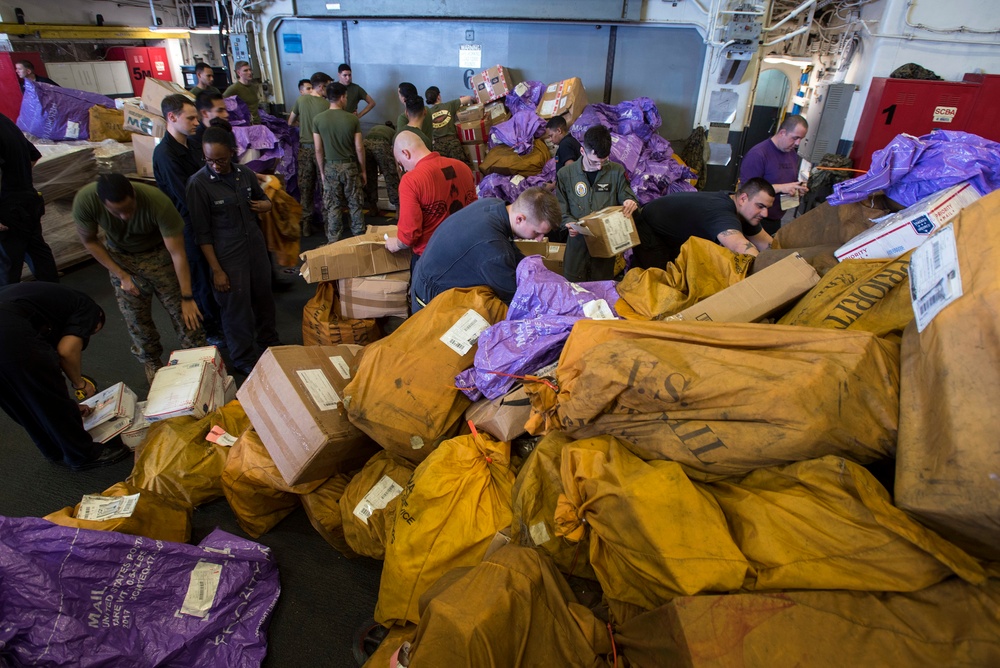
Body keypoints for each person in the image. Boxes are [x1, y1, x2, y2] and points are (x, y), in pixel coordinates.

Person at [73, 174, 205, 382]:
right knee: (135, 317)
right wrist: (122, 275)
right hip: (120, 258)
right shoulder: (86, 201)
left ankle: (198, 359)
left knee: (184, 313)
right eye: (117, 212)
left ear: (134, 194)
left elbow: (177, 253)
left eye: (129, 209)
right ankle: (152, 362)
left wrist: (187, 297)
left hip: (157, 253)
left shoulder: (156, 201)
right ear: (102, 203)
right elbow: (89, 241)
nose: (125, 216)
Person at [0, 282, 131, 470]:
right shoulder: (89, 310)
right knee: (46, 391)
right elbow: (66, 351)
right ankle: (82, 454)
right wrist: (79, 384)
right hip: (9, 331)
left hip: (9, 323)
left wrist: (69, 407)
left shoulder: (53, 299)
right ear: (97, 322)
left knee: (16, 399)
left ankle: (53, 449)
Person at [186, 127, 280, 376]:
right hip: (227, 254)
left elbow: (264, 199)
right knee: (235, 308)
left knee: (264, 299)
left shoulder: (244, 174)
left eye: (221, 160)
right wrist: (216, 270)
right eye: (209, 160)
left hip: (255, 247)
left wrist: (266, 205)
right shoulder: (198, 184)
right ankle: (243, 358)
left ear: (231, 152)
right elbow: (202, 234)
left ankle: (269, 343)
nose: (215, 166)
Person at [410, 187, 560, 312]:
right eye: (537, 232)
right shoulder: (494, 250)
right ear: (519, 219)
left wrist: (542, 275)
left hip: (429, 269)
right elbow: (516, 303)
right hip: (429, 296)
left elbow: (511, 252)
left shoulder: (495, 204)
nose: (539, 239)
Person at [152, 94, 225, 348]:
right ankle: (211, 329)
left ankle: (220, 320)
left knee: (214, 274)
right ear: (172, 117)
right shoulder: (165, 155)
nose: (197, 122)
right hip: (188, 224)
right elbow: (187, 196)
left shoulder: (193, 144)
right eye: (191, 118)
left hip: (206, 217)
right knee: (200, 279)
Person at [632, 178, 776, 270]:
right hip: (650, 229)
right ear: (743, 199)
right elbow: (740, 246)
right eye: (760, 206)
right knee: (657, 283)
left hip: (676, 232)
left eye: (768, 208)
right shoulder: (721, 212)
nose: (765, 214)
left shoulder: (746, 211)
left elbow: (768, 244)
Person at [385, 131, 477, 273]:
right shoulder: (462, 167)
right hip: (468, 253)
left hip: (433, 261)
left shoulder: (411, 180)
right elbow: (475, 210)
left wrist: (396, 243)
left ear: (405, 153)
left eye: (401, 164)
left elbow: (409, 235)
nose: (404, 169)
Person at [556, 125, 639, 282]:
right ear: (582, 151)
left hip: (605, 246)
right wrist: (569, 223)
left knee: (602, 286)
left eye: (604, 161)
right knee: (574, 287)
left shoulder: (616, 171)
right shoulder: (565, 175)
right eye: (594, 162)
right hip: (577, 245)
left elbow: (627, 195)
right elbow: (560, 209)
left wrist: (630, 201)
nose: (600, 166)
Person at [0, 112, 58, 286]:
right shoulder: (5, 122)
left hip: (7, 209)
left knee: (7, 266)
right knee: (38, 254)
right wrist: (18, 180)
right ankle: (54, 295)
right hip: (27, 200)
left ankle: (8, 301)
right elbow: (33, 156)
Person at [313, 82, 367, 242]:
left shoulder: (318, 119)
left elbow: (318, 149)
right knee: (355, 204)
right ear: (342, 97)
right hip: (350, 167)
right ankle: (360, 240)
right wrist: (363, 170)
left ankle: (333, 242)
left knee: (333, 206)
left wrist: (322, 171)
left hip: (330, 167)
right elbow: (359, 147)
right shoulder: (352, 119)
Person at [739, 114, 809, 235]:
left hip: (776, 218)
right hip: (754, 220)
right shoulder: (758, 155)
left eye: (800, 139)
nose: (797, 143)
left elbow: (789, 181)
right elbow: (748, 190)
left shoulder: (791, 153)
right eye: (795, 138)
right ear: (782, 133)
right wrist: (782, 188)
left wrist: (796, 188)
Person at [288, 72, 333, 236]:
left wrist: (304, 126)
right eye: (327, 87)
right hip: (322, 150)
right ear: (321, 87)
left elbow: (290, 122)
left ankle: (306, 225)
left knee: (306, 188)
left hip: (304, 149)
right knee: (325, 187)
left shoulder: (300, 100)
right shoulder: (326, 105)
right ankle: (328, 225)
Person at [425, 86, 475, 165]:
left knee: (445, 170)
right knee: (460, 167)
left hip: (438, 147)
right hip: (453, 143)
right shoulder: (449, 105)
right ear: (438, 96)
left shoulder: (427, 113)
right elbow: (468, 98)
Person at [190, 91, 230, 158]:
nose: (226, 114)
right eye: (220, 111)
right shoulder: (194, 139)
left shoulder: (227, 132)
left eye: (225, 110)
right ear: (204, 113)